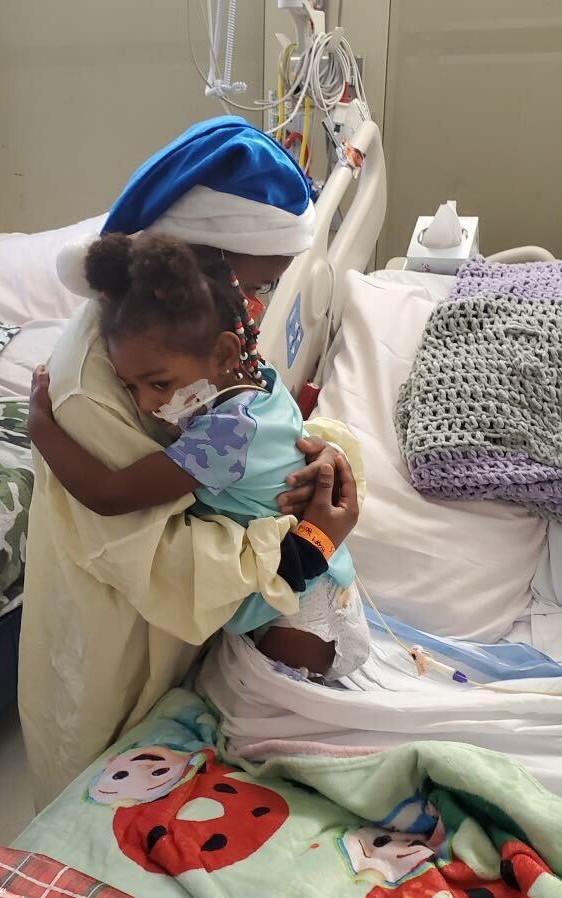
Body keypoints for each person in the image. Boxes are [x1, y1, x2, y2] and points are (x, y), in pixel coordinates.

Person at [19, 116, 365, 810]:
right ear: (195, 264)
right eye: (254, 282)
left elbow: (267, 424)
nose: (257, 305)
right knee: (97, 803)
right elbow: (152, 538)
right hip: (128, 648)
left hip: (260, 615)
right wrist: (310, 543)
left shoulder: (201, 353)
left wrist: (326, 456)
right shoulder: (109, 383)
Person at [29, 233, 369, 681]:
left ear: (224, 353)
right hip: (315, 585)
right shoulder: (257, 383)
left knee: (253, 718)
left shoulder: (224, 438)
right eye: (131, 388)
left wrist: (40, 428)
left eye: (160, 384)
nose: (147, 405)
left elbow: (109, 495)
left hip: (303, 618)